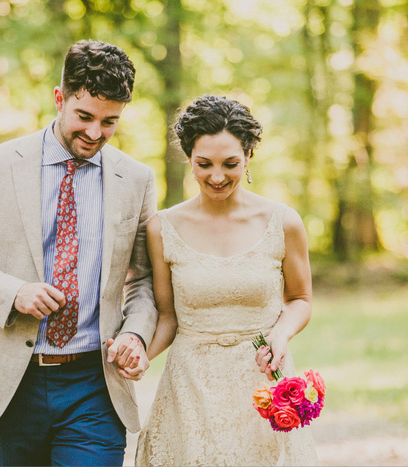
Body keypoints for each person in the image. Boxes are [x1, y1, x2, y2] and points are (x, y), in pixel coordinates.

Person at [0, 40, 157, 466]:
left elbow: (142, 280)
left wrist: (135, 334)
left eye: (110, 122)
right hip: (12, 383)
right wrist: (12, 293)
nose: (95, 133)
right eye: (84, 117)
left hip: (95, 385)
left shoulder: (136, 179)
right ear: (59, 98)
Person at [135, 95, 318, 466]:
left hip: (262, 381)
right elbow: (168, 318)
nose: (217, 177)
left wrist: (280, 336)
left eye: (230, 164)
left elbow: (300, 299)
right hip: (190, 387)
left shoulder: (283, 222)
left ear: (248, 157)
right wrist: (140, 355)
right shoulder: (162, 228)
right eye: (204, 164)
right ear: (189, 159)